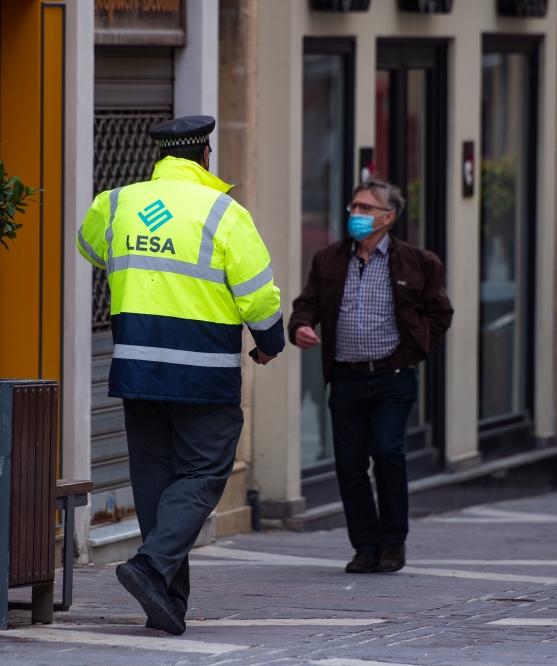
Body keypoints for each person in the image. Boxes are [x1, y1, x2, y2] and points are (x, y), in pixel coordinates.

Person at [77, 115, 284, 635]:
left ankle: (166, 602)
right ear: (205, 156)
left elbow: (91, 246)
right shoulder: (225, 213)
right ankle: (148, 568)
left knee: (155, 483)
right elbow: (257, 294)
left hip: (137, 367)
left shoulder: (117, 203)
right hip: (202, 373)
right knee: (202, 474)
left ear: (161, 158)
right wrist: (270, 343)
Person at [289, 179, 453, 575]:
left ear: (388, 217)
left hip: (392, 377)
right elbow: (306, 303)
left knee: (387, 450)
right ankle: (365, 545)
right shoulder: (328, 260)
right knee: (348, 463)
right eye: (354, 207)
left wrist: (412, 353)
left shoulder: (419, 262)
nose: (356, 215)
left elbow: (440, 313)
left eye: (365, 208)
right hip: (345, 377)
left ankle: (393, 543)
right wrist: (300, 326)